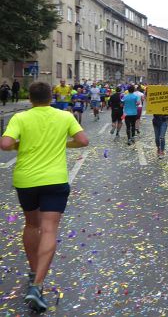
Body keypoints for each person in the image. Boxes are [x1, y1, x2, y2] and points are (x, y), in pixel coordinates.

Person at [0, 81, 88, 312]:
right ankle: (37, 285)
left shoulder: (21, 118)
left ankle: (32, 271)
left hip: (26, 180)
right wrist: (63, 144)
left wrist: (21, 146)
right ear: (52, 96)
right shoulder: (64, 116)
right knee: (49, 229)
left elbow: (5, 143)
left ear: (30, 98)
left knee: (31, 225)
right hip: (55, 180)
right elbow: (83, 141)